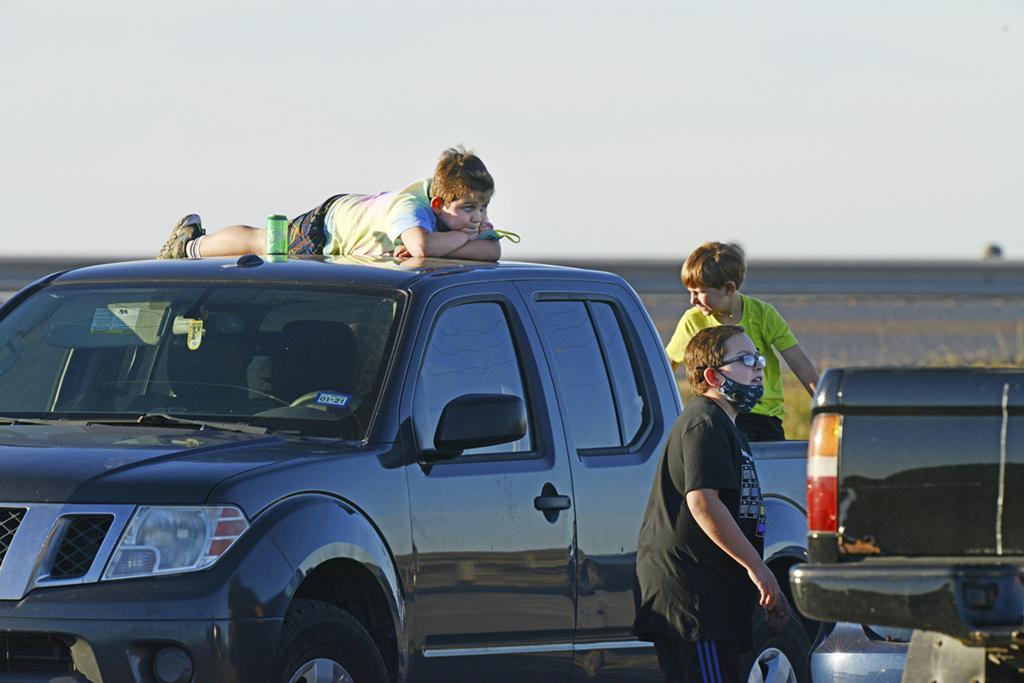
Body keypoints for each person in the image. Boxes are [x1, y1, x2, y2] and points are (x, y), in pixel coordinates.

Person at [634, 325, 787, 683]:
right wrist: (759, 570)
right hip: (695, 601)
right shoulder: (704, 421)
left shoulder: (729, 426)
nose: (758, 367)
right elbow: (703, 502)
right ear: (712, 376)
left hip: (718, 600)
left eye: (759, 358)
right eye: (746, 359)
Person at [157, 146, 507, 262]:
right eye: (468, 208)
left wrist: (474, 240)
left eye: (483, 208)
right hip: (329, 225)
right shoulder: (410, 208)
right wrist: (465, 241)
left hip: (353, 224)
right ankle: (190, 246)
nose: (478, 217)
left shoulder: (447, 216)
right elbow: (421, 247)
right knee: (263, 242)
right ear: (437, 203)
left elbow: (493, 254)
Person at [665, 242, 818, 442]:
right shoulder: (692, 321)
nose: (692, 300)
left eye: (699, 292)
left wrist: (825, 403)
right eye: (690, 292)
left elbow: (799, 362)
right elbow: (665, 366)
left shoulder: (763, 314)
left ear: (729, 288)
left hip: (761, 418)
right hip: (714, 413)